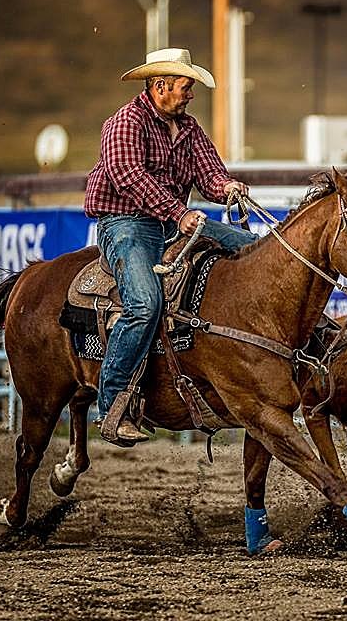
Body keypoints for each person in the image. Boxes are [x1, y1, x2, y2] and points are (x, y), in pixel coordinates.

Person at [84, 48, 259, 446]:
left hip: (171, 220)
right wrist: (178, 214)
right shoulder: (125, 123)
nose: (191, 94)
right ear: (160, 86)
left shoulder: (190, 129)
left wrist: (227, 187)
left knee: (255, 249)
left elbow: (210, 173)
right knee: (144, 304)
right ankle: (112, 406)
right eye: (186, 86)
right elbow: (130, 177)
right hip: (126, 224)